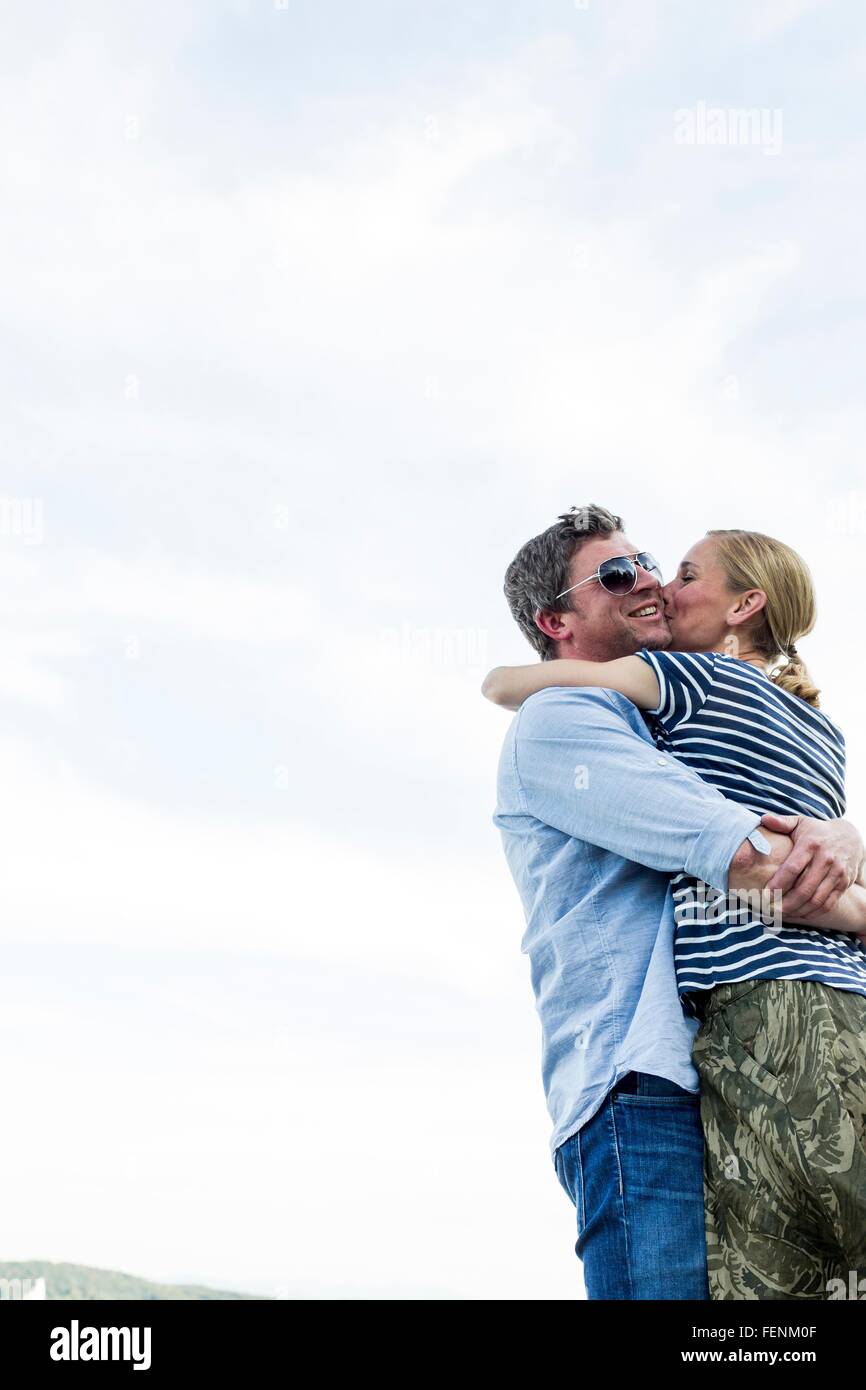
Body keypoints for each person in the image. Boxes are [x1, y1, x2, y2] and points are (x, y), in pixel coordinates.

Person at [487, 505, 865, 1299]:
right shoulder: (565, 718)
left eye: (652, 562)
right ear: (556, 620)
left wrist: (844, 832)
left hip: (723, 1060)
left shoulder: (676, 719)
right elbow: (753, 866)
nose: (652, 582)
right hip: (643, 1086)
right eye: (618, 574)